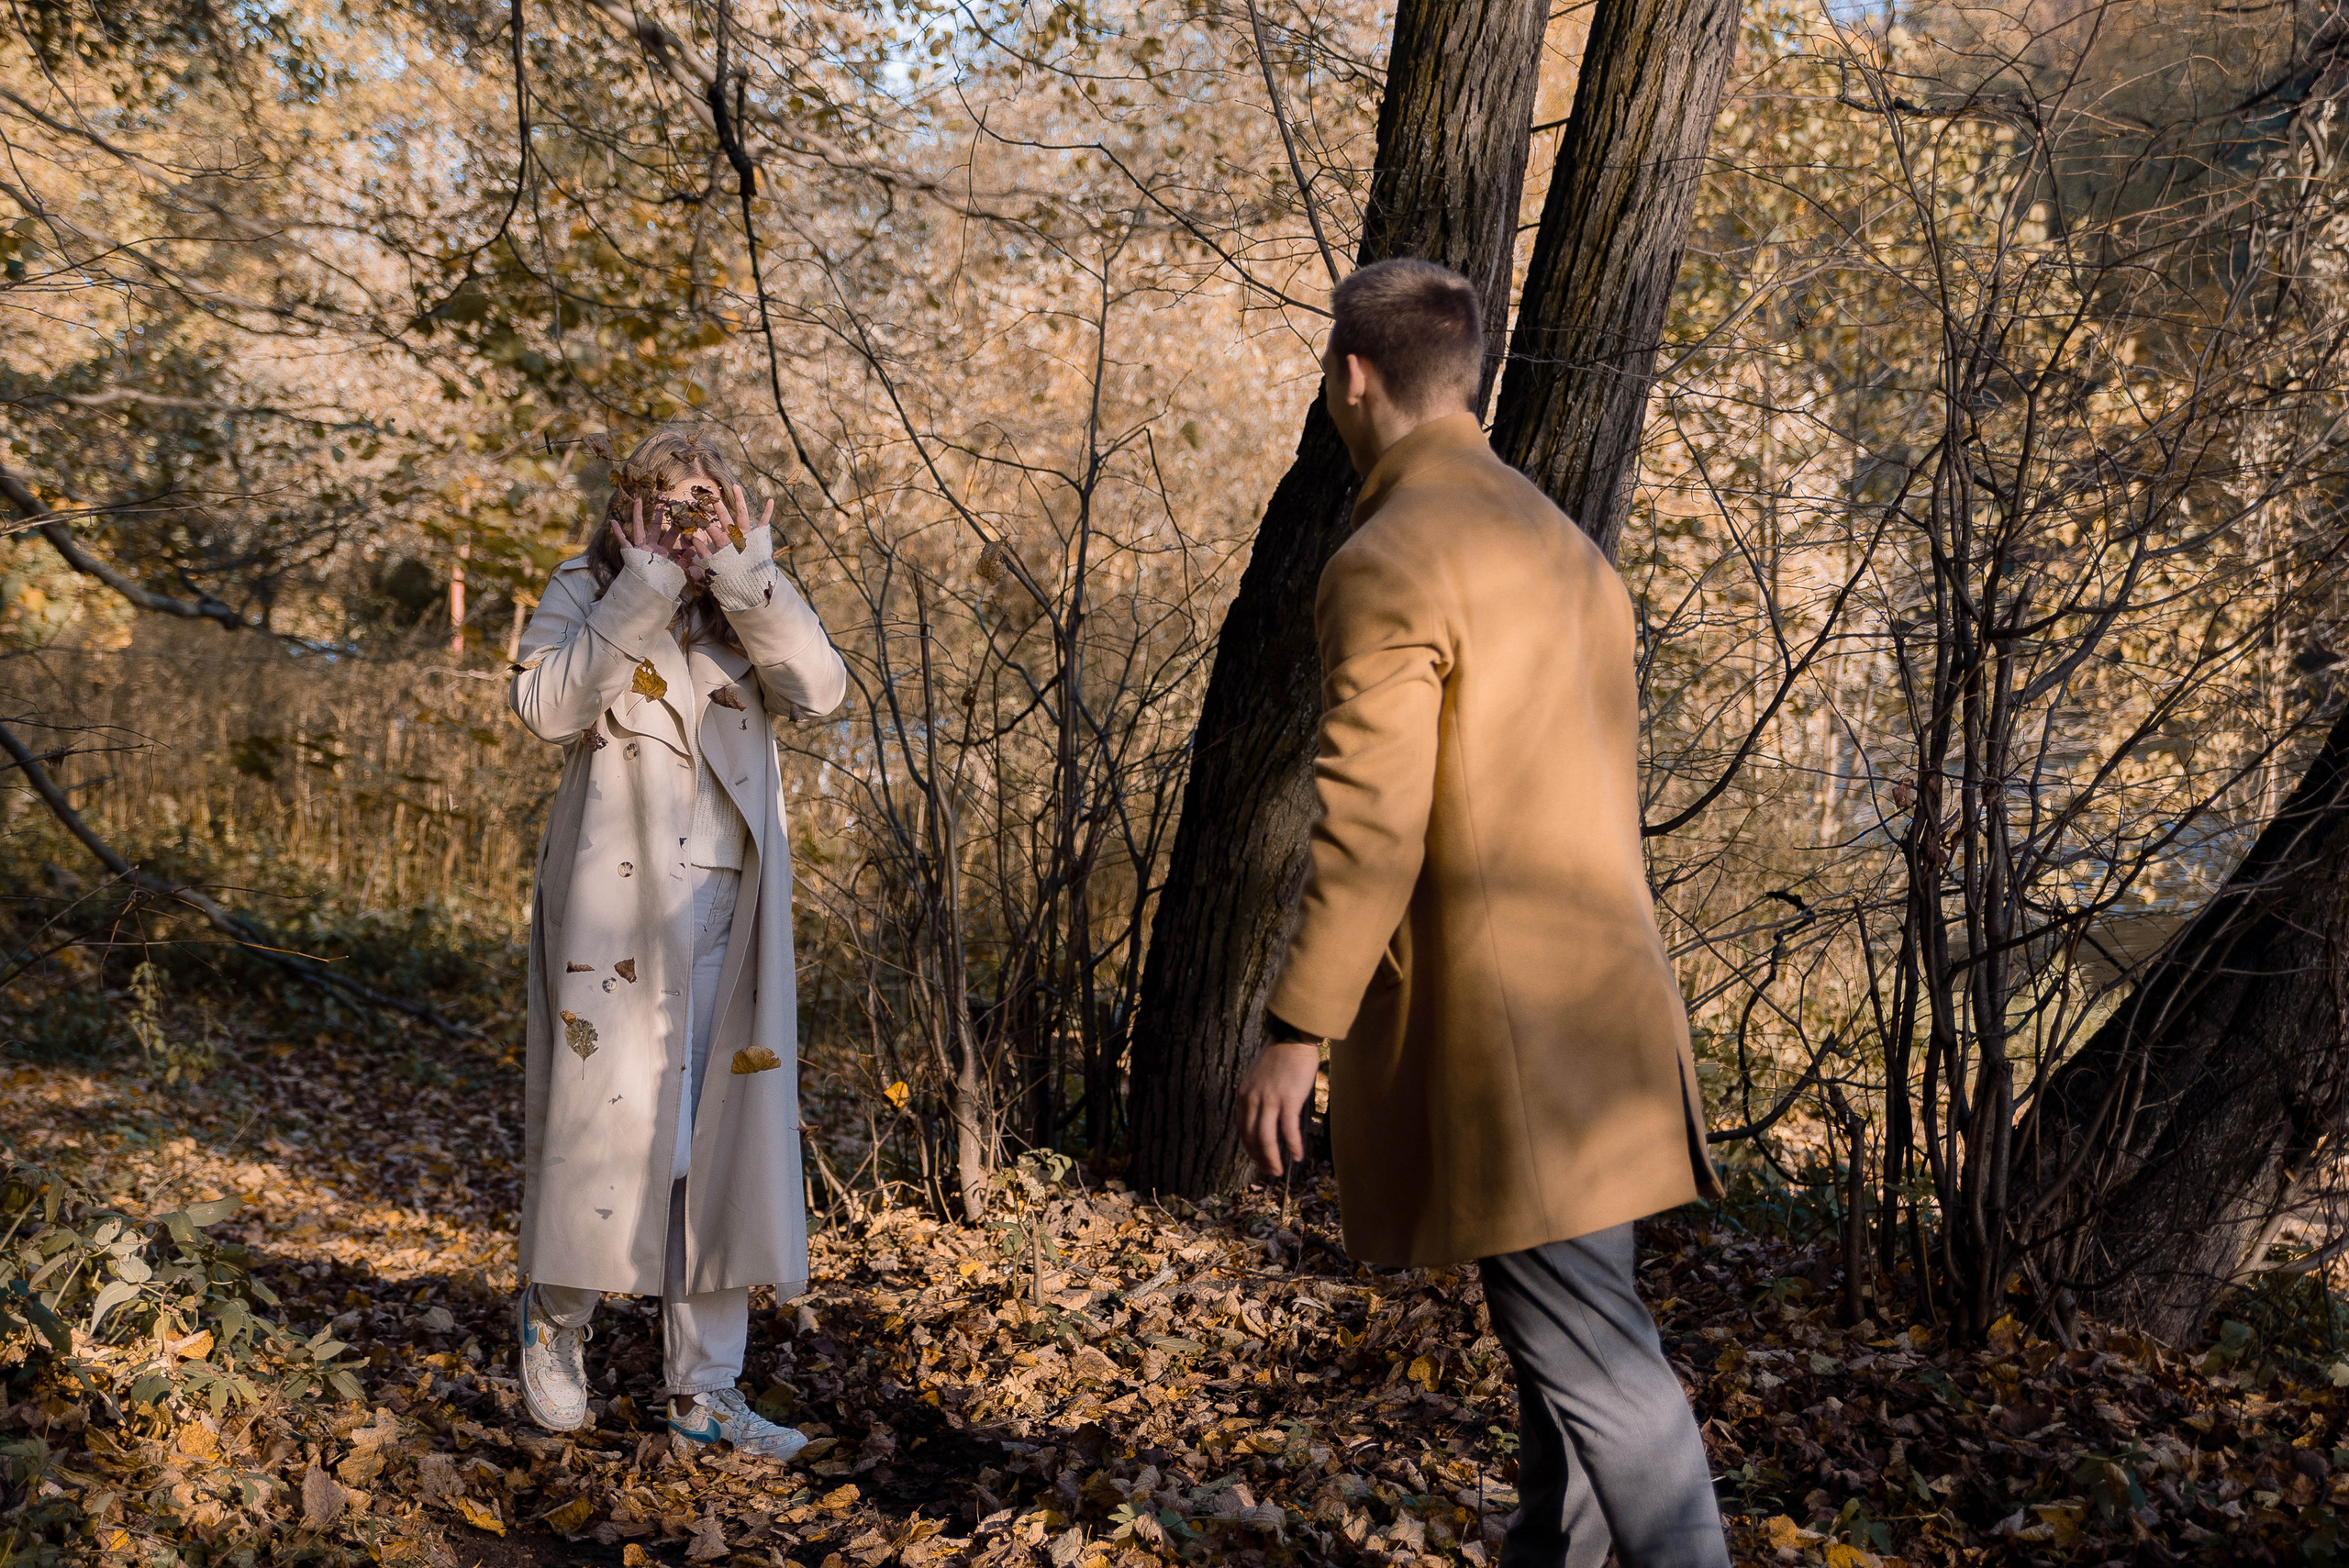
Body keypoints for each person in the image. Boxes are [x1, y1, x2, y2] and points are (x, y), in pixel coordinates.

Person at [1233, 259, 1731, 1567]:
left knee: (1601, 1376)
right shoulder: (1562, 544)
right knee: (1567, 1377)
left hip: (1520, 1047)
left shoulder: (1389, 557)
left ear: (1351, 378)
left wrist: (1298, 1026)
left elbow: (1371, 829)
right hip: (1611, 1018)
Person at [506, 426, 847, 1457]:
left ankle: (704, 1394)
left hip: (730, 914)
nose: (687, 521)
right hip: (616, 911)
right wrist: (643, 584)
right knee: (605, 1124)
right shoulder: (591, 584)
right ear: (629, 510)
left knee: (722, 1144)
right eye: (665, 502)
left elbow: (822, 692)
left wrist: (747, 575)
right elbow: (545, 706)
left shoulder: (751, 598)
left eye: (704, 501)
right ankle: (555, 1326)